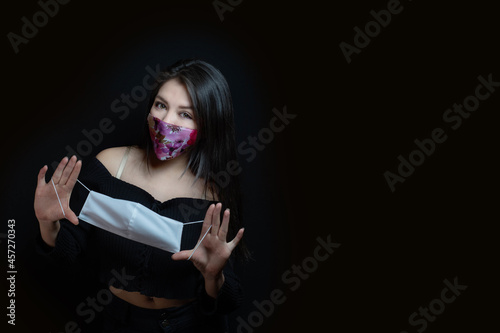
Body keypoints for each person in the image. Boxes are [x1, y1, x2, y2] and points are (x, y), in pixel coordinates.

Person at [34, 59, 248, 332]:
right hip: (115, 321)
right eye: (161, 105)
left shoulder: (215, 195)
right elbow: (69, 252)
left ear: (208, 123)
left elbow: (229, 300)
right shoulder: (109, 167)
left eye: (185, 114)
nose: (166, 120)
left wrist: (213, 276)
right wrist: (46, 222)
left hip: (186, 325)